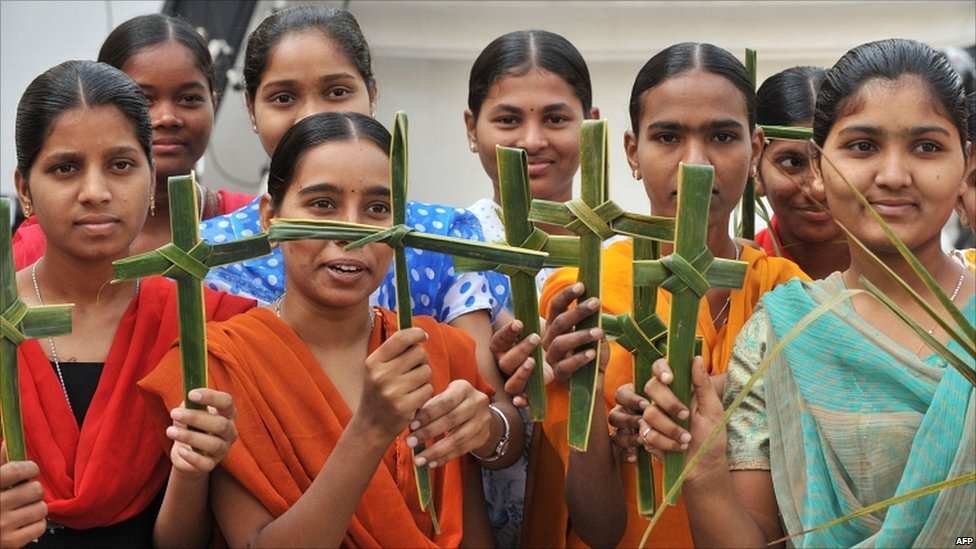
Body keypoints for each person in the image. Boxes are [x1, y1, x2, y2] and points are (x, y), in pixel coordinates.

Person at [642, 38, 975, 547]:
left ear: (964, 164)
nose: (892, 175)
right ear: (818, 166)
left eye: (926, 146)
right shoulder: (779, 334)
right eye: (862, 146)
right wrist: (704, 472)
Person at [140, 111, 509, 547]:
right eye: (322, 205)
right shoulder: (224, 363)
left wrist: (489, 428)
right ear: (270, 221)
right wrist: (369, 430)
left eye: (377, 209)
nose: (351, 232)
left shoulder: (435, 349)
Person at [503, 42, 809, 548]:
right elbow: (597, 527)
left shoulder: (786, 290)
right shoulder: (583, 291)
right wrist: (587, 399)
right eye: (668, 136)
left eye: (722, 136)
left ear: (754, 151)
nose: (695, 162)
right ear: (632, 152)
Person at [194, 8, 522, 460]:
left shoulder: (441, 238)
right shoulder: (210, 255)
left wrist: (484, 427)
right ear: (251, 109)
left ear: (371, 94)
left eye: (336, 91)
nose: (310, 116)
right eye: (283, 97)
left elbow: (498, 418)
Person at [0, 60, 252, 548]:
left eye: (120, 165)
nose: (95, 193)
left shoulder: (201, 325)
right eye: (65, 168)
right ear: (25, 190)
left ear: (151, 176)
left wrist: (193, 471)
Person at [461, 28, 600, 547]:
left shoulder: (624, 254)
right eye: (508, 119)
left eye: (557, 118)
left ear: (594, 127)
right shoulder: (450, 243)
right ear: (471, 127)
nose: (533, 140)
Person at [11, 14, 253, 269]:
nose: (167, 117)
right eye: (143, 100)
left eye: (189, 99)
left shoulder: (253, 224)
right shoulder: (39, 248)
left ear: (213, 104)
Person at [753, 66, 850, 279]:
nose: (817, 188)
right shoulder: (739, 277)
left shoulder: (904, 274)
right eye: (791, 162)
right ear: (756, 170)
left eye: (830, 162)